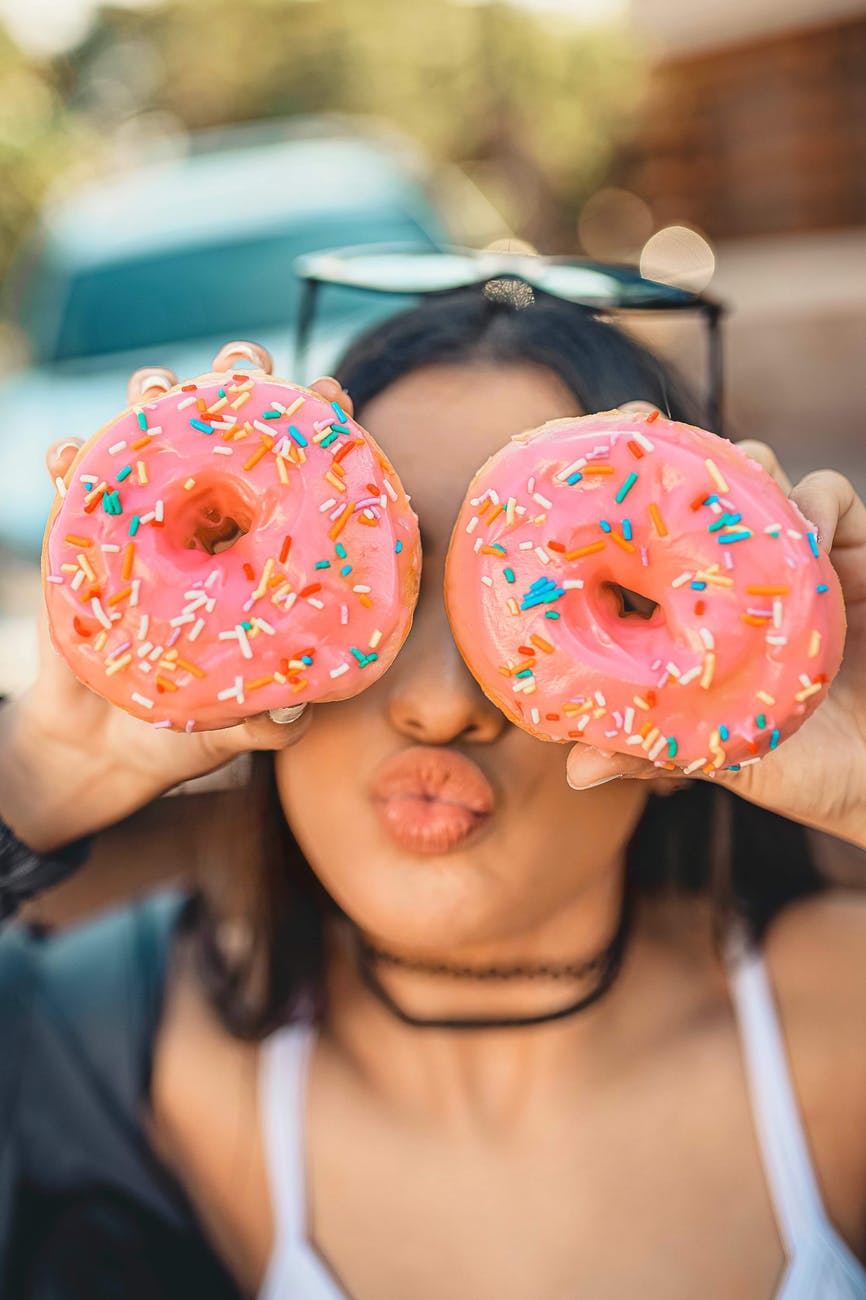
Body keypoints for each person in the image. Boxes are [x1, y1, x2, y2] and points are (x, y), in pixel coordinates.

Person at [1, 288, 865, 1300]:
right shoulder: (102, 1048)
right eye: (382, 584)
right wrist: (39, 770)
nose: (442, 706)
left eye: (602, 598)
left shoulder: (838, 1024)